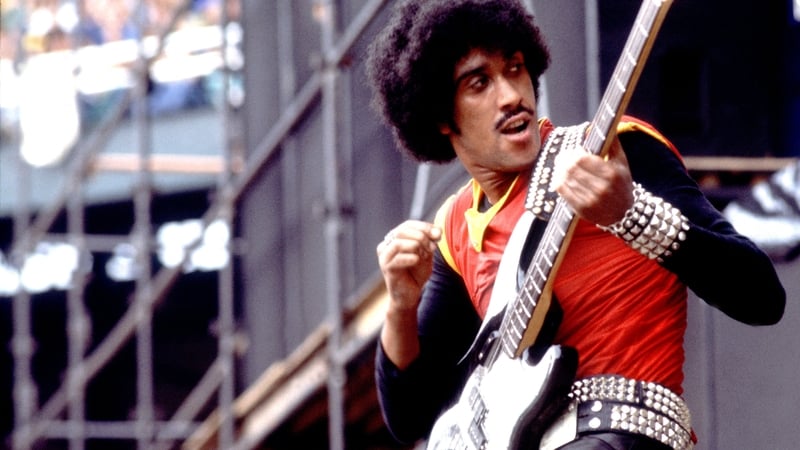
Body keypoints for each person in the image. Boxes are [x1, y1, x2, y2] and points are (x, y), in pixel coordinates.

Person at [366, 0, 787, 449]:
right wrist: (399, 306)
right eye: (479, 82)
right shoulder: (454, 229)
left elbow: (761, 295)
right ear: (439, 116)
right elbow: (413, 417)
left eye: (515, 68)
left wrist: (630, 215)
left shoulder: (614, 152)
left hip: (626, 436)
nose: (511, 96)